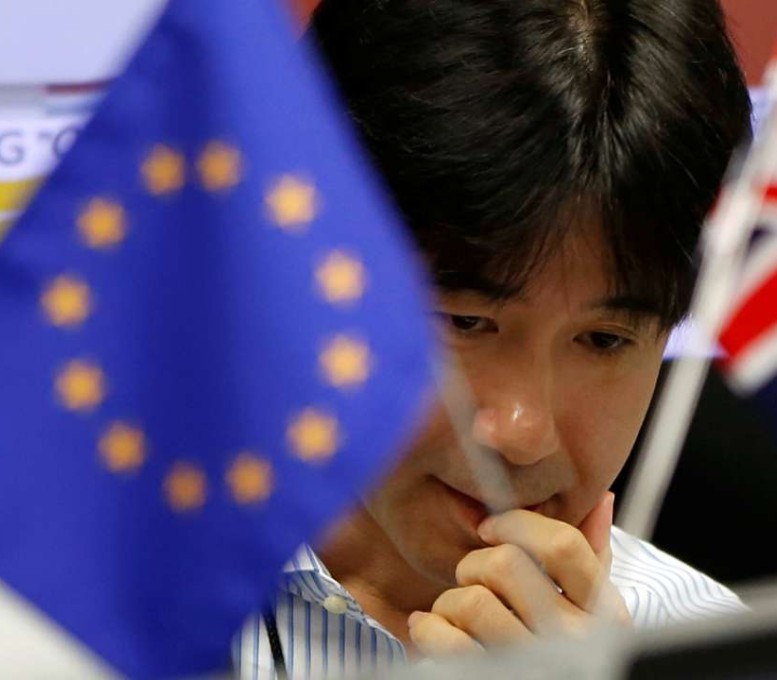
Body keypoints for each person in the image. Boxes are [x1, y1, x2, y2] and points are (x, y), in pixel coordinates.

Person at [235, 0, 751, 675]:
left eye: (604, 340)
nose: (523, 431)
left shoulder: (716, 650)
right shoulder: (97, 611)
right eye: (465, 323)